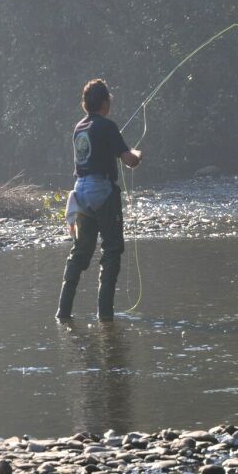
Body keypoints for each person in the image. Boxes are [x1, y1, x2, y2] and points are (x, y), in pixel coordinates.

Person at [56, 79, 142, 321]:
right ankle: (105, 315)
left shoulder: (79, 127)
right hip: (101, 190)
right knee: (112, 250)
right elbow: (129, 160)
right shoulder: (107, 126)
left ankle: (63, 313)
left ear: (85, 104)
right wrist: (138, 152)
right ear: (105, 102)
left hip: (80, 191)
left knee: (80, 252)